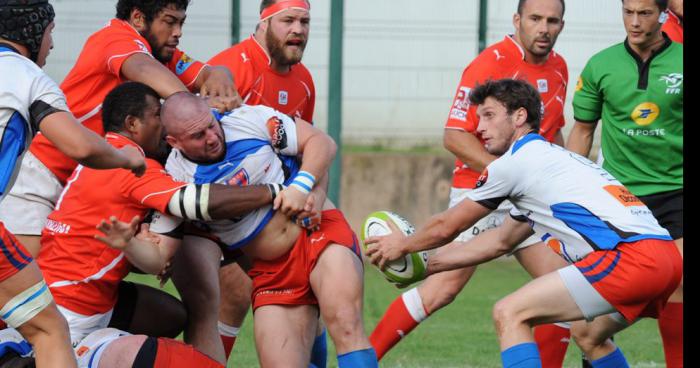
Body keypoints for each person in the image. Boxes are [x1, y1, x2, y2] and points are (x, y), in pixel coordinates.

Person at [365, 78, 682, 367]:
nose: (479, 127)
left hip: (631, 260)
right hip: (666, 259)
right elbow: (500, 241)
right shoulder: (550, 161)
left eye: (489, 115)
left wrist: (403, 244)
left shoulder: (516, 163)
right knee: (588, 335)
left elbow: (448, 226)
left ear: (519, 117)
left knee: (510, 312)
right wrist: (427, 265)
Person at [368, 0, 572, 365]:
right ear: (517, 20)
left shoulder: (559, 68)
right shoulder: (490, 63)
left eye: (552, 21)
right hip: (482, 189)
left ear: (561, 24)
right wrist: (505, 175)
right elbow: (454, 136)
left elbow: (550, 135)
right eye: (535, 19)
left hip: (529, 196)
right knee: (442, 289)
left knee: (564, 286)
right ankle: (362, 359)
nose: (544, 28)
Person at [112, 92, 377, 367]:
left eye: (211, 125)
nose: (212, 137)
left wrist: (303, 187)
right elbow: (160, 252)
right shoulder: (175, 178)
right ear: (174, 142)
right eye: (198, 136)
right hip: (271, 271)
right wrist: (138, 243)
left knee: (346, 323)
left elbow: (321, 143)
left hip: (317, 236)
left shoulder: (247, 119)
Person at [31, 82, 279, 348]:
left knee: (170, 316)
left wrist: (144, 244)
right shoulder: (135, 167)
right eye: (157, 116)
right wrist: (276, 191)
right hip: (75, 304)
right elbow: (198, 202)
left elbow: (152, 260)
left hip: (58, 287)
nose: (165, 125)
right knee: (163, 355)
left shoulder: (108, 155)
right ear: (133, 124)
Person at [0, 0, 241, 257]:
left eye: (181, 23)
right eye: (170, 22)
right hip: (41, 177)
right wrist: (193, 110)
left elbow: (209, 74)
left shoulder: (160, 53)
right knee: (30, 284)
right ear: (138, 18)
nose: (178, 32)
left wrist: (221, 76)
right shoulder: (116, 37)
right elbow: (141, 67)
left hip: (82, 186)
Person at [0, 1, 146, 366]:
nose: (51, 47)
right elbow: (80, 145)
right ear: (34, 33)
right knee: (50, 330)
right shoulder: (26, 76)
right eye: (50, 34)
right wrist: (127, 158)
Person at [567, 0, 683, 366]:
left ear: (664, 14)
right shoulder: (601, 65)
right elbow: (582, 133)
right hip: (621, 201)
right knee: (594, 321)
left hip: (678, 192)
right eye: (628, 12)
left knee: (679, 283)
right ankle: (596, 353)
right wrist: (570, 188)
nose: (634, 22)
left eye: (645, 13)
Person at [207, 0, 319, 362]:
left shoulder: (304, 81)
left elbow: (307, 148)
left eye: (304, 21)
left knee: (314, 288)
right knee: (236, 293)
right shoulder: (231, 69)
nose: (298, 30)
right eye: (288, 20)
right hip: (221, 208)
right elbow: (198, 142)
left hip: (272, 207)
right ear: (264, 22)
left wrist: (312, 194)